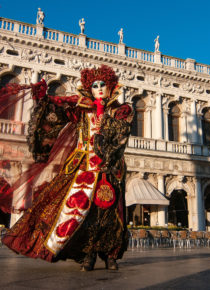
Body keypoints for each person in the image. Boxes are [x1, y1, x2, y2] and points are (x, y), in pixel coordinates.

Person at [0, 65, 134, 271]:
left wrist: (105, 146)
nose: (99, 88)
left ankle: (110, 255)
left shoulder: (120, 110)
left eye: (103, 85)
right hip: (82, 166)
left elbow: (121, 135)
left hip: (110, 167)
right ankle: (87, 254)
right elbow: (58, 109)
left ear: (111, 87)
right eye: (95, 85)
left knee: (109, 212)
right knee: (81, 211)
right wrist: (44, 99)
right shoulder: (81, 108)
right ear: (89, 88)